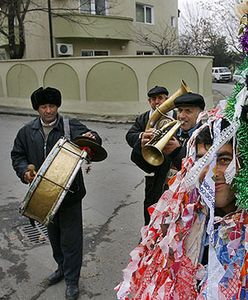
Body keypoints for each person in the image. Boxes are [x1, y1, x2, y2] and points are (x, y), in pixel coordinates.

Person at [11, 87, 103, 300]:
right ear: (37, 109)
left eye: (52, 106)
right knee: (54, 237)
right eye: (44, 106)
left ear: (57, 106)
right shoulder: (27, 131)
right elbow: (18, 155)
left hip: (70, 194)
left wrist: (93, 137)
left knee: (71, 240)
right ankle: (61, 268)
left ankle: (72, 280)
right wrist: (24, 171)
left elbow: (94, 139)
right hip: (43, 196)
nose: (48, 110)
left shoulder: (70, 126)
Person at [126, 88, 205, 225]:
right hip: (160, 198)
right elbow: (149, 166)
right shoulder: (169, 130)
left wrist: (176, 152)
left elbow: (200, 171)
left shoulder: (206, 136)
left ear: (200, 114)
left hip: (188, 206)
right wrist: (142, 146)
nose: (181, 116)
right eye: (180, 110)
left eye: (188, 111)